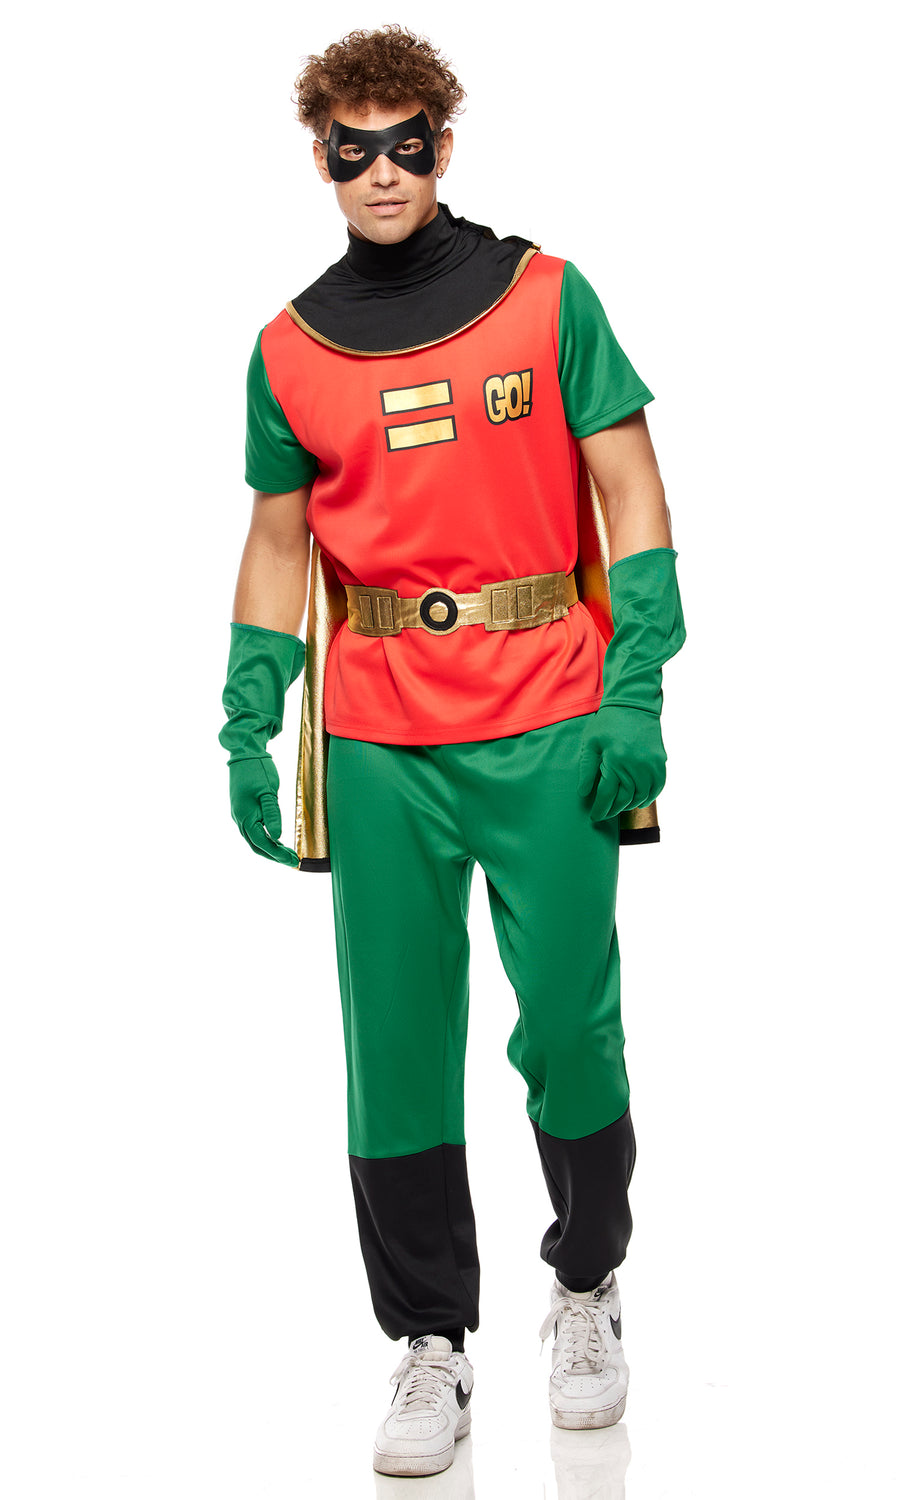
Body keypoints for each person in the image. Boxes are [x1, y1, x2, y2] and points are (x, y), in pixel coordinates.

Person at [219, 24, 685, 1480]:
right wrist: (248, 714)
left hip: (548, 710)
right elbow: (277, 541)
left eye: (404, 139)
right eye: (350, 146)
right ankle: (429, 1340)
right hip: (378, 737)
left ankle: (588, 1283)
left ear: (443, 141)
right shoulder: (289, 350)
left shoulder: (548, 299)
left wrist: (637, 692)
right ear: (318, 155)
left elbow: (632, 489)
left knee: (570, 1021)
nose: (381, 169)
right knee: (396, 1044)